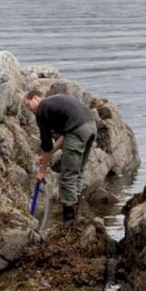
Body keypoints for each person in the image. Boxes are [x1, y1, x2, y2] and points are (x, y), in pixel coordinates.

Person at [23, 90, 97, 221]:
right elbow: (66, 136)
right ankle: (76, 214)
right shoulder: (54, 102)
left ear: (35, 98)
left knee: (67, 178)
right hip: (91, 126)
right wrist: (49, 154)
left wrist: (42, 171)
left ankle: (69, 222)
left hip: (78, 130)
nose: (29, 110)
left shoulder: (42, 109)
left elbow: (46, 144)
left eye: (27, 105)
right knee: (77, 174)